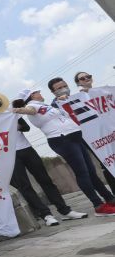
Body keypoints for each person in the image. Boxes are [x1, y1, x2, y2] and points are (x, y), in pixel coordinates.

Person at [12, 87, 115, 216]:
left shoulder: (45, 105)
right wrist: (18, 110)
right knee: (82, 172)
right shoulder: (33, 106)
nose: (40, 93)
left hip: (74, 136)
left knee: (91, 171)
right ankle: (98, 205)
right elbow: (30, 110)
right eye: (37, 92)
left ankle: (109, 198)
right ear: (32, 95)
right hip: (62, 139)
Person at [8, 98, 87, 224]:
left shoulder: (9, 112)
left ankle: (65, 210)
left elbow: (26, 128)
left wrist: (15, 125)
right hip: (8, 154)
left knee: (45, 179)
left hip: (27, 149)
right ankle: (45, 214)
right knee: (25, 185)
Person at [51, 76, 115, 192]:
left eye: (65, 86)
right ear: (53, 92)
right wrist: (61, 102)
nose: (64, 89)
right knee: (103, 164)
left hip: (99, 135)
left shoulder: (78, 98)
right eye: (59, 88)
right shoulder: (55, 106)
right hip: (83, 140)